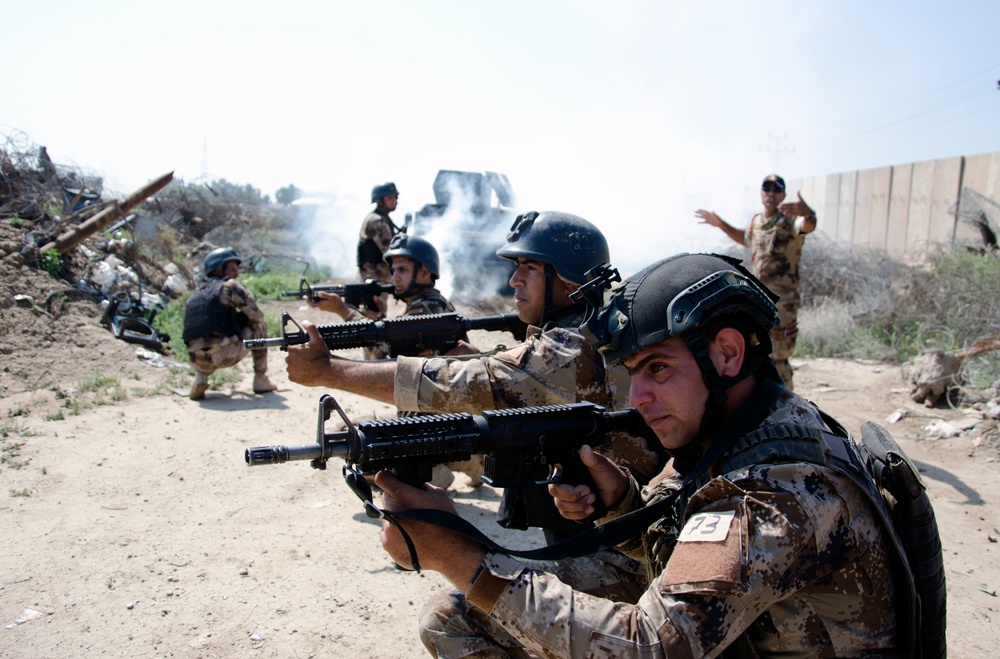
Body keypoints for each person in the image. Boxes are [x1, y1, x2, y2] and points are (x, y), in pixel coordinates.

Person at [376, 252, 904, 657]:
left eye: (658, 369)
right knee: (458, 616)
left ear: (726, 353)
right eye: (632, 373)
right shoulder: (739, 429)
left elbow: (653, 645)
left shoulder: (777, 489)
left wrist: (459, 558)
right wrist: (625, 509)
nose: (638, 399)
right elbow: (682, 559)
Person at [286, 210, 663, 601]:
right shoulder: (595, 326)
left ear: (568, 279)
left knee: (455, 611)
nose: (514, 279)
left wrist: (328, 371)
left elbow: (456, 386)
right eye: (516, 267)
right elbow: (512, 374)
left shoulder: (572, 343)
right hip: (625, 525)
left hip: (630, 551)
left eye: (530, 268)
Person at [308, 232, 481, 487]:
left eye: (402, 270)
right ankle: (467, 461)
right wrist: (379, 319)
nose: (394, 277)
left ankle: (430, 474)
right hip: (442, 418)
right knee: (352, 430)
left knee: (354, 441)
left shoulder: (425, 312)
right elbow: (389, 357)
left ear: (424, 273)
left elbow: (387, 366)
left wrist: (343, 311)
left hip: (433, 422)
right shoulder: (430, 305)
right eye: (393, 269)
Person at [695, 174, 817, 390]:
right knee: (756, 348)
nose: (771, 193)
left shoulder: (790, 221)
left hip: (783, 303)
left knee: (779, 353)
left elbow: (807, 225)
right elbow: (746, 238)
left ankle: (784, 401)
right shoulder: (757, 222)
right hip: (759, 299)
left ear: (783, 195)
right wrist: (721, 224)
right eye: (766, 188)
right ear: (761, 192)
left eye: (776, 189)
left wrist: (808, 213)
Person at [182, 247, 277, 401]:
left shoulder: (195, 294)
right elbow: (257, 315)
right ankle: (261, 379)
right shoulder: (230, 286)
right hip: (225, 354)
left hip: (196, 359)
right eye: (232, 269)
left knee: (203, 335)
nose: (236, 274)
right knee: (260, 326)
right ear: (219, 269)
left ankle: (200, 377)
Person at [357, 181, 404, 285]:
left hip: (377, 275)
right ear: (380, 201)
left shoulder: (383, 218)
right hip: (374, 276)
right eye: (390, 198)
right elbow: (388, 250)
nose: (394, 201)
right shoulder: (377, 221)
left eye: (395, 197)